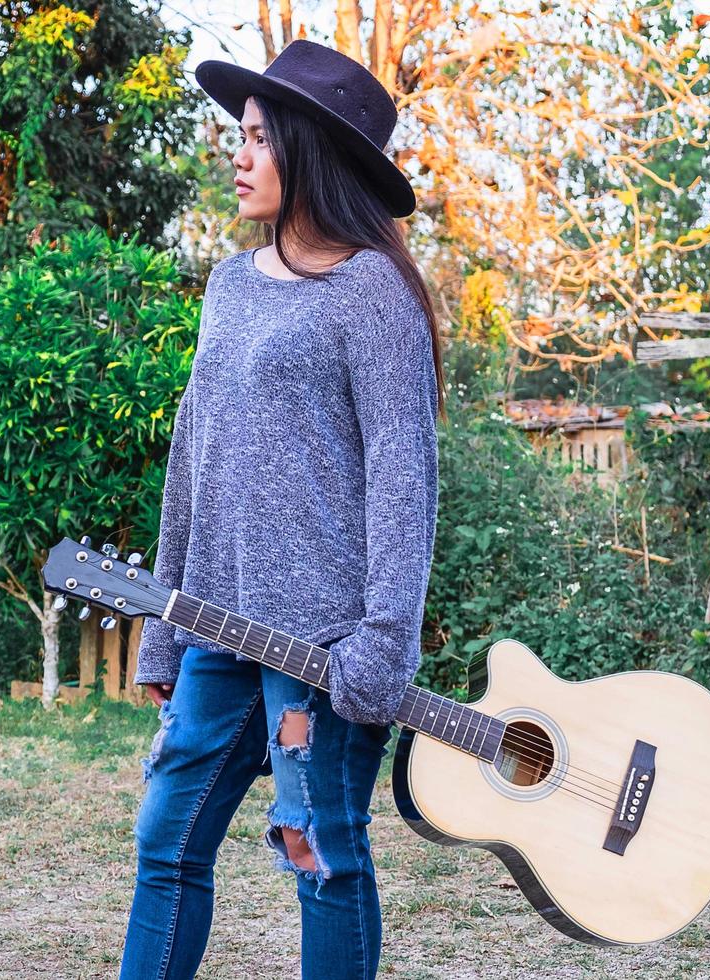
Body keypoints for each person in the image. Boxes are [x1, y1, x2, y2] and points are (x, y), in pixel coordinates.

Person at [117, 39, 444, 980]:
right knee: (166, 844)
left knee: (321, 859)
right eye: (241, 135)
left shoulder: (371, 294)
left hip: (324, 650)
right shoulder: (227, 285)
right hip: (217, 626)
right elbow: (193, 460)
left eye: (261, 138)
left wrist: (386, 636)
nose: (241, 153)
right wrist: (163, 627)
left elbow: (402, 472)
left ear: (311, 153)